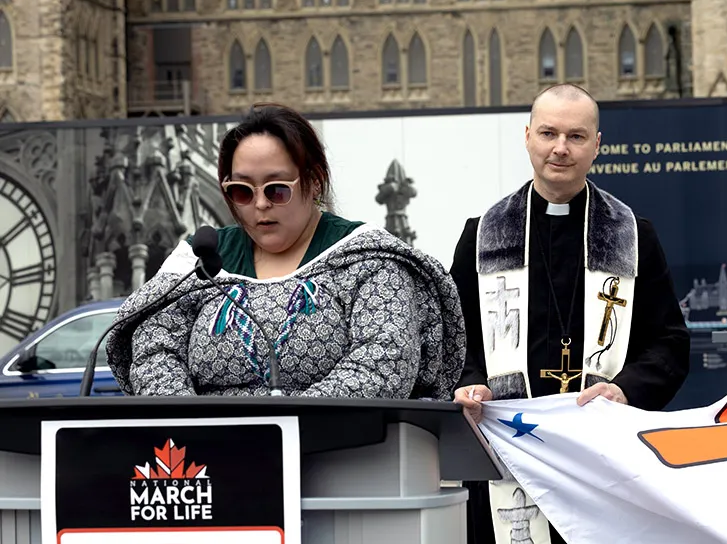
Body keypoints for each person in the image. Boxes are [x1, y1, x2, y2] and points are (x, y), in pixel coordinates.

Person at [448, 83, 693, 544]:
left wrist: (626, 389)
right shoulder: (481, 234)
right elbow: (455, 342)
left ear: (597, 146)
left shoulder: (632, 235)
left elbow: (667, 344)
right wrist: (468, 381)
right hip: (512, 479)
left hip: (605, 476)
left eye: (576, 136)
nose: (561, 147)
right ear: (527, 136)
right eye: (549, 133)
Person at [105, 103, 464, 399]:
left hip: (343, 454)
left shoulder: (368, 258)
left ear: (314, 181)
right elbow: (154, 349)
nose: (260, 204)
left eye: (277, 190)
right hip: (212, 456)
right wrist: (198, 426)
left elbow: (386, 359)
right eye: (242, 192)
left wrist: (288, 425)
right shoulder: (202, 259)